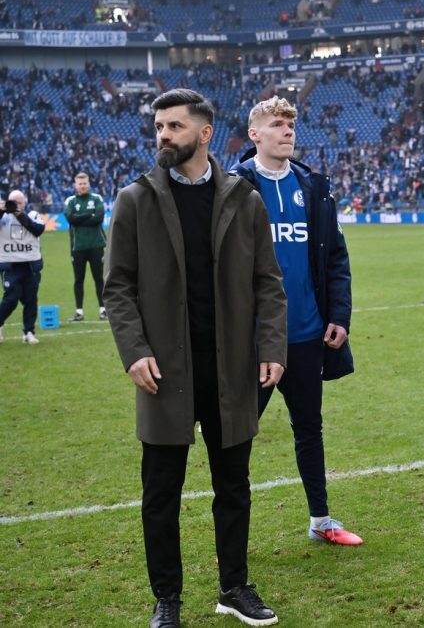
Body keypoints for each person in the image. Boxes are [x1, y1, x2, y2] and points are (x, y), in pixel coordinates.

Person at [104, 88, 287, 628]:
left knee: (234, 487)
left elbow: (268, 283)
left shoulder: (243, 198)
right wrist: (134, 352)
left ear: (205, 134)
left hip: (230, 369)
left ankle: (234, 587)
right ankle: (167, 598)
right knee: (161, 492)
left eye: (175, 126)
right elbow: (118, 288)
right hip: (164, 371)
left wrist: (272, 346)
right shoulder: (135, 199)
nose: (163, 135)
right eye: (159, 126)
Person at [231, 96, 362, 546]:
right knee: (238, 437)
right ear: (254, 134)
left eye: (290, 123)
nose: (287, 130)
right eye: (276, 124)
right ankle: (233, 538)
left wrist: (339, 315)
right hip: (253, 341)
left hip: (307, 333)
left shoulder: (313, 186)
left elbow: (336, 258)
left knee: (310, 430)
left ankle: (321, 520)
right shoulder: (234, 188)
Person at [0, 190, 46, 345]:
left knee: (31, 299)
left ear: (24, 203)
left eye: (19, 203)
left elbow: (38, 229)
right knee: (11, 298)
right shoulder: (3, 217)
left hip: (29, 265)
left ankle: (29, 332)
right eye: (13, 203)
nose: (16, 206)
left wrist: (18, 214)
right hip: (10, 265)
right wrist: (2, 210)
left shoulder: (32, 215)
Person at [64, 172, 107, 322]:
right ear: (75, 185)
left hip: (97, 245)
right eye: (80, 184)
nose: (82, 186)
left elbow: (99, 218)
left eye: (84, 183)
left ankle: (103, 310)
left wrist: (79, 219)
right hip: (78, 247)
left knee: (99, 278)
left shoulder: (96, 198)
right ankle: (79, 312)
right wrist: (89, 216)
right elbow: (71, 219)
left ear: (88, 184)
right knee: (78, 280)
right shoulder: (70, 201)